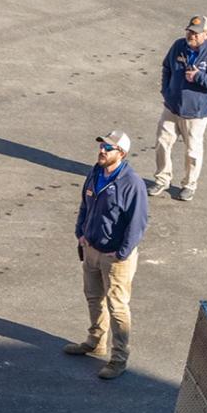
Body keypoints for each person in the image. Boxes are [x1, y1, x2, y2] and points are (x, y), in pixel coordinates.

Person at [65, 131, 149, 381]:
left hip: (115, 258)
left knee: (117, 307)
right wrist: (80, 232)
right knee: (93, 297)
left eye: (108, 148)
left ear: (121, 154)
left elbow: (138, 223)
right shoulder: (95, 173)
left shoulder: (132, 183)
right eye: (102, 146)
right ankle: (95, 341)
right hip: (91, 248)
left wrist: (121, 252)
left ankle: (119, 358)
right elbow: (84, 204)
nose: (102, 151)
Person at [151, 15, 207, 202]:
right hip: (172, 107)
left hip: (196, 114)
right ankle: (162, 179)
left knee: (192, 151)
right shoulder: (179, 46)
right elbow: (166, 67)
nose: (191, 35)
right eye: (190, 31)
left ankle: (189, 185)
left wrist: (198, 77)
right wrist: (166, 91)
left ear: (206, 35)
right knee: (162, 142)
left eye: (195, 33)